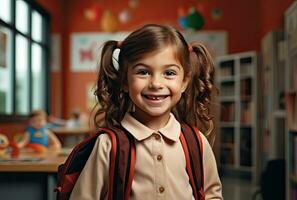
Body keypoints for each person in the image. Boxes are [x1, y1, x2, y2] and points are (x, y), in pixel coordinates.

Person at [70, 24, 222, 199]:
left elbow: (212, 195)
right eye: (143, 72)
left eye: (169, 73)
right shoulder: (108, 145)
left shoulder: (196, 142)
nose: (156, 83)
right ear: (125, 82)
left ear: (184, 82)